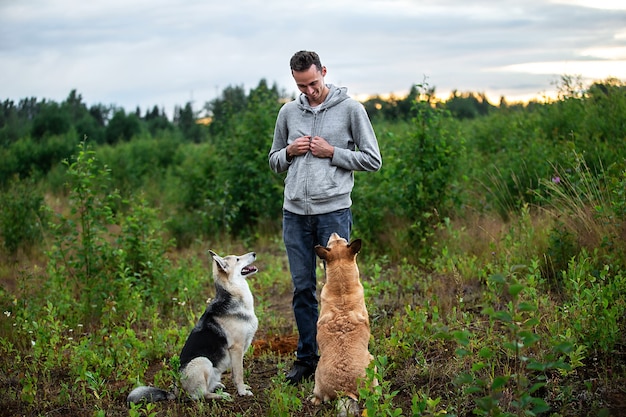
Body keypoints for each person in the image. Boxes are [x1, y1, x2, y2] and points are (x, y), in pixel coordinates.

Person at [268, 50, 382, 385]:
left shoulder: (350, 110)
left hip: (333, 211)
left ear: (324, 73)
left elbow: (373, 160)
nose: (309, 91)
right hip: (295, 215)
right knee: (302, 288)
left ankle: (346, 356)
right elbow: (273, 160)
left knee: (341, 293)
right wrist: (289, 151)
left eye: (314, 83)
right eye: (301, 85)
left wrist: (332, 152)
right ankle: (308, 360)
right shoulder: (288, 112)